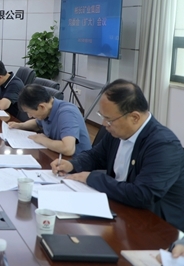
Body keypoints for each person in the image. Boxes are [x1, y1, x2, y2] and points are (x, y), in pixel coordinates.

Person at [51, 79, 184, 232]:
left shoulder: (163, 145)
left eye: (109, 119)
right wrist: (72, 164)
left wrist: (91, 178)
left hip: (156, 227)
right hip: (121, 208)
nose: (103, 124)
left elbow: (142, 195)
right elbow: (96, 156)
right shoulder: (117, 131)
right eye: (102, 116)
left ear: (134, 117)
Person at [9, 84, 91, 156]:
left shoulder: (67, 113)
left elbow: (68, 149)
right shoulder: (47, 111)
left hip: (77, 162)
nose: (29, 116)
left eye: (29, 112)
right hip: (57, 156)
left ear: (42, 107)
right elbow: (37, 124)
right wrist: (20, 125)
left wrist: (42, 140)